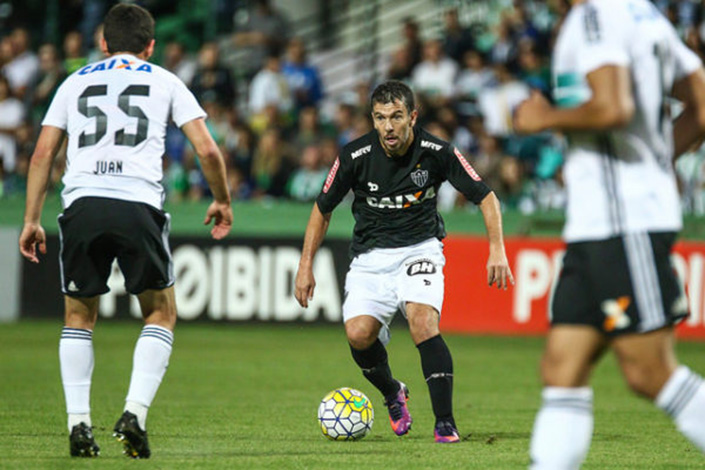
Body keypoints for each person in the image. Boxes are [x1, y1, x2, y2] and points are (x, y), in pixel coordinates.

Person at [18, 4, 232, 459]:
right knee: (159, 313)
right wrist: (222, 199)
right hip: (137, 203)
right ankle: (134, 414)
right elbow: (208, 150)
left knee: (78, 317)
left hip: (82, 204)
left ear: (101, 43)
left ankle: (79, 426)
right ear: (150, 46)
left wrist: (31, 219)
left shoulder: (73, 82)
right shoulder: (166, 80)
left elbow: (41, 155)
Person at [513, 0, 705, 467]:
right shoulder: (644, 14)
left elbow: (612, 106)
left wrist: (544, 118)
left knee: (649, 372)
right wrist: (660, 163)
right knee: (562, 367)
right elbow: (700, 104)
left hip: (621, 223)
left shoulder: (593, 18)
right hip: (601, 224)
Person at [294, 80, 514, 443]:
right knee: (358, 334)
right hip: (369, 257)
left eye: (396, 117)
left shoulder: (436, 151)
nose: (388, 126)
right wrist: (305, 266)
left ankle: (445, 422)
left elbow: (485, 196)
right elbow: (322, 208)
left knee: (422, 322)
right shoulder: (354, 155)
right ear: (373, 119)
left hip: (420, 249)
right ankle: (392, 392)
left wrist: (497, 248)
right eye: (380, 118)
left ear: (412, 116)